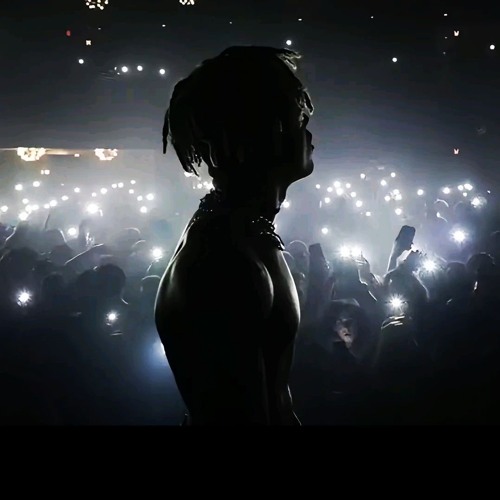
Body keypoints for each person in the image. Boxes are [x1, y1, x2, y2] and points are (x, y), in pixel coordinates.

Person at [155, 46, 315, 425]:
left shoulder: (245, 233)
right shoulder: (224, 258)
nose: (308, 133)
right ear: (259, 133)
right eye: (297, 119)